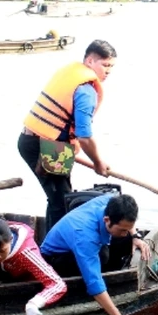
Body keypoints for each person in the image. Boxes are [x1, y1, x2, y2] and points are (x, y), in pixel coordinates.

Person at [18, 40, 116, 232]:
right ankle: (53, 253)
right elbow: (84, 137)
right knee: (62, 200)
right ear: (89, 61)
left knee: (58, 197)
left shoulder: (71, 73)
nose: (108, 71)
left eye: (111, 66)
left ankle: (51, 246)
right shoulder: (86, 91)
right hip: (47, 146)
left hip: (44, 142)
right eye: (105, 65)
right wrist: (98, 163)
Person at [39, 193, 151, 315]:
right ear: (107, 220)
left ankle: (102, 276)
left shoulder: (110, 201)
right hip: (56, 259)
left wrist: (135, 236)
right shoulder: (85, 237)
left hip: (79, 241)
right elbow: (94, 284)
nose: (125, 233)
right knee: (97, 267)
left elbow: (126, 218)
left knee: (121, 244)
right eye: (122, 229)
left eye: (127, 229)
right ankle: (97, 292)